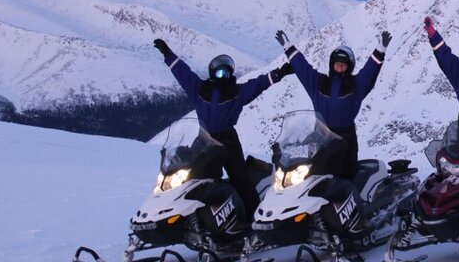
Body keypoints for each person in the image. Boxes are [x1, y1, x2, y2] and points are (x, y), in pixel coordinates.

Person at [152, 38, 291, 221]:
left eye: (226, 73)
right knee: (197, 179)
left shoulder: (237, 92)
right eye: (218, 72)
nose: (222, 76)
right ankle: (199, 218)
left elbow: (258, 84)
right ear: (211, 72)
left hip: (227, 141)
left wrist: (279, 73)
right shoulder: (199, 89)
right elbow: (183, 73)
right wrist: (168, 54)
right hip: (204, 140)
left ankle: (254, 217)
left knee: (240, 179)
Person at [274, 29, 390, 180]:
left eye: (343, 65)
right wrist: (289, 48)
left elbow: (369, 72)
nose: (340, 67)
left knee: (345, 179)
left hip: (345, 140)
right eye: (337, 64)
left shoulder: (355, 86)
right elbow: (304, 69)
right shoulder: (319, 83)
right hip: (321, 138)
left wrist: (380, 50)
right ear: (331, 65)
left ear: (349, 67)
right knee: (311, 176)